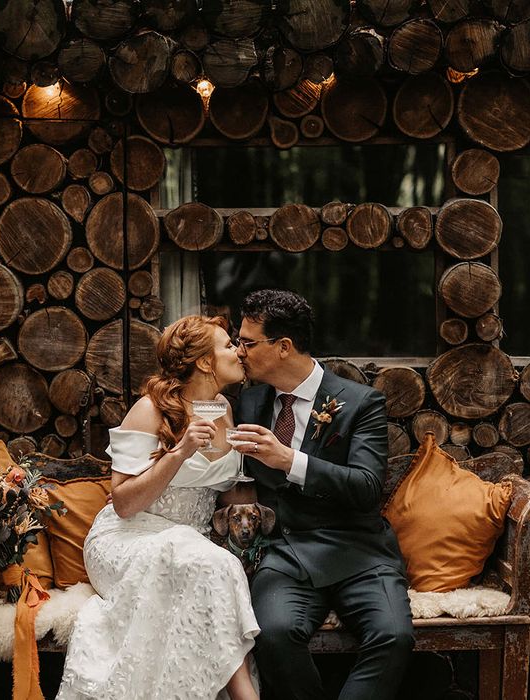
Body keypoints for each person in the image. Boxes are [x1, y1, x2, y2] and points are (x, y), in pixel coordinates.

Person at [57, 315, 260, 700]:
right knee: (211, 562)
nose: (238, 352)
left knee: (205, 562)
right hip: (128, 539)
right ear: (204, 362)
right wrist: (180, 452)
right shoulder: (149, 410)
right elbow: (124, 503)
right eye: (227, 346)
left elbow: (222, 491)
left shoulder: (223, 409)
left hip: (192, 546)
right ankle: (244, 693)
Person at [233, 289, 414, 700]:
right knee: (273, 634)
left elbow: (367, 488)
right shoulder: (249, 401)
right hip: (285, 553)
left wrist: (289, 460)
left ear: (283, 347)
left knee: (394, 636)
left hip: (359, 550)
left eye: (247, 342)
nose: (239, 350)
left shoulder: (359, 402)